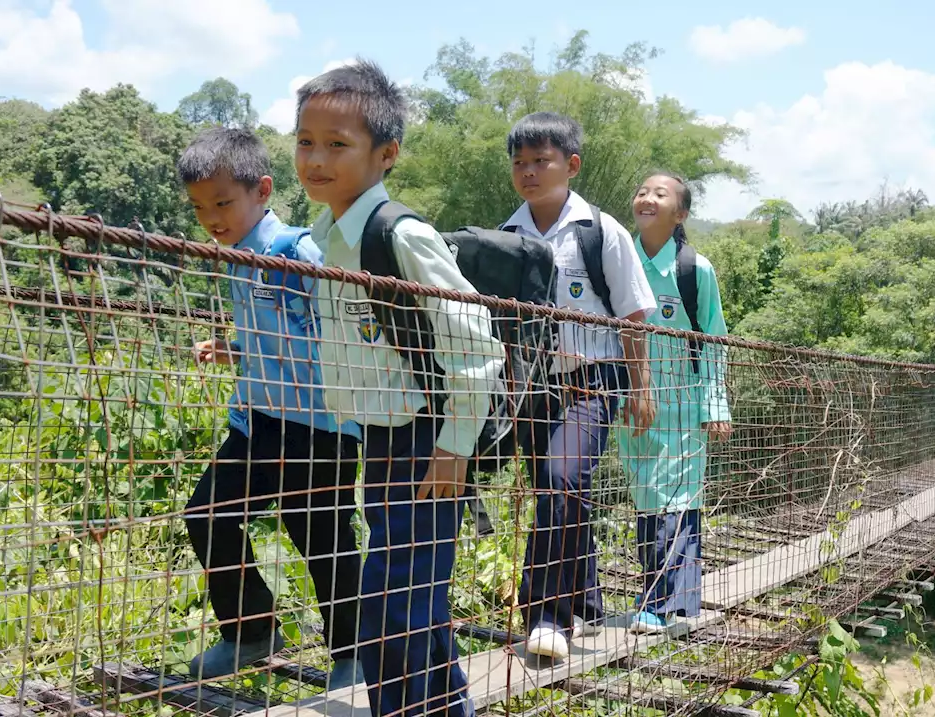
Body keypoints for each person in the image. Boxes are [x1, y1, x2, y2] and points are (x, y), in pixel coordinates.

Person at [295, 59, 504, 717]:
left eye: (337, 144)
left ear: (386, 154)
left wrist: (455, 445)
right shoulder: (328, 238)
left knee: (397, 598)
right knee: (400, 595)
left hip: (427, 443)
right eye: (305, 142)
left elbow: (474, 340)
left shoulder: (399, 235)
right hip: (380, 440)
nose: (316, 159)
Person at [178, 127, 366, 689]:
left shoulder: (297, 253)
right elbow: (275, 332)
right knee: (207, 515)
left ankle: (354, 656)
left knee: (322, 538)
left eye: (222, 202)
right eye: (199, 207)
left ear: (261, 190)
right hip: (257, 419)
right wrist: (233, 347)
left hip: (319, 426)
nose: (211, 217)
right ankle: (252, 632)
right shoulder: (235, 255)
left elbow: (337, 331)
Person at [500, 111, 657, 661]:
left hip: (593, 380)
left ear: (570, 164)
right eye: (519, 163)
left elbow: (634, 313)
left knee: (562, 482)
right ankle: (587, 603)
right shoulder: (507, 236)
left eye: (541, 161)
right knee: (557, 490)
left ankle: (546, 615)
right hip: (531, 390)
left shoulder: (599, 230)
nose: (529, 172)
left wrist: (641, 388)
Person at [615, 171, 732, 634]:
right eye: (642, 190)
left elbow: (715, 338)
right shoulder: (618, 261)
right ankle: (680, 604)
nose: (647, 198)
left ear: (679, 213)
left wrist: (716, 405)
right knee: (648, 499)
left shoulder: (694, 271)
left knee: (672, 498)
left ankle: (658, 605)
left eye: (660, 195)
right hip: (632, 407)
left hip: (682, 406)